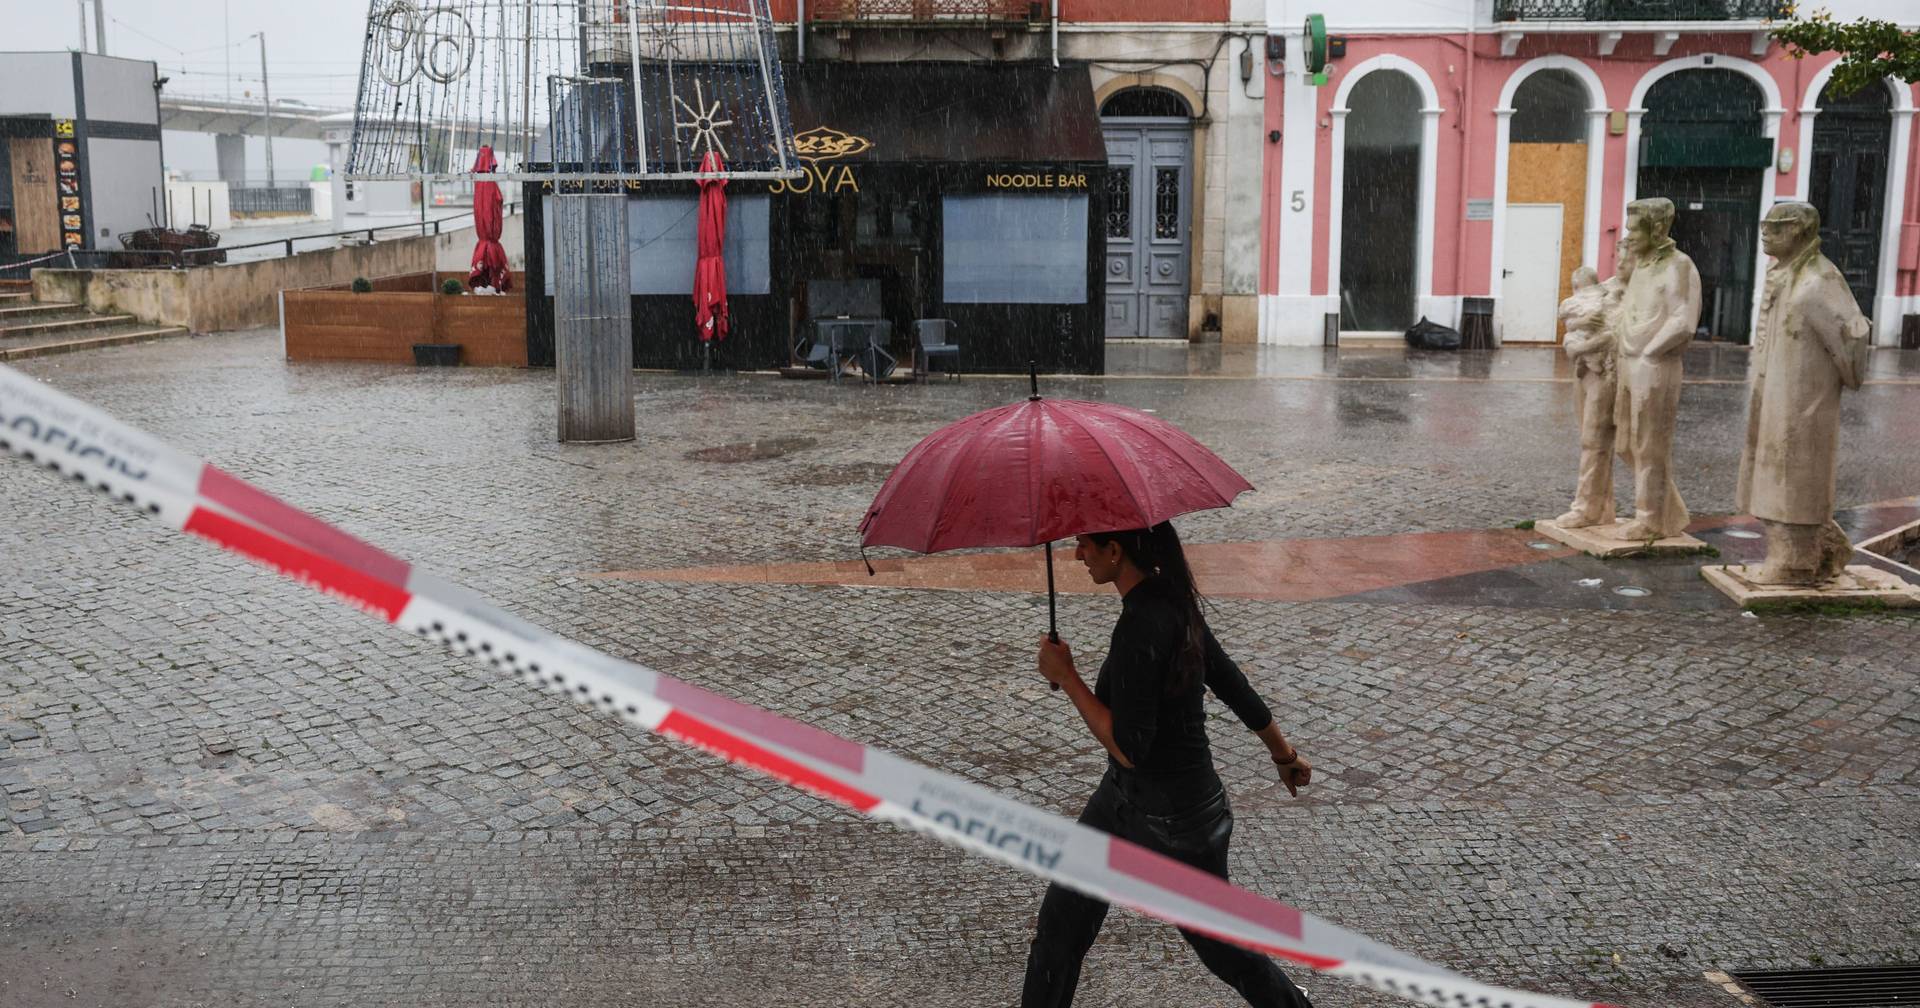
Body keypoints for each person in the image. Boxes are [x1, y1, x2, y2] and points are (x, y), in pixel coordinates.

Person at [1024, 522, 1315, 1008]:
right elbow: (1229, 680)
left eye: (1085, 545)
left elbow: (1128, 746)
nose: (1077, 556)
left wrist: (1069, 678)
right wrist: (1282, 753)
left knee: (1225, 949)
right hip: (1130, 802)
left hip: (1173, 822)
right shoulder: (1173, 600)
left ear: (1114, 551)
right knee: (1062, 924)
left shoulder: (1143, 625)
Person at [1736, 201, 1870, 585]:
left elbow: (1852, 334)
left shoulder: (1818, 280)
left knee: (1794, 473)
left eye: (1774, 226)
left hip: (1802, 395)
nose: (1764, 232)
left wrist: (1844, 359)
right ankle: (1822, 547)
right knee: (1771, 468)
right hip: (1774, 385)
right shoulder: (1782, 273)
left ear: (1798, 230)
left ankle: (1796, 561)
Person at [1610, 197, 1700, 542]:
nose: (1628, 235)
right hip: (1629, 361)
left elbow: (1683, 320)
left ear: (1658, 228)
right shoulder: (1643, 265)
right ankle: (1670, 510)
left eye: (1635, 228)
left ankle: (1649, 518)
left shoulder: (1678, 266)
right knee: (1625, 443)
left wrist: (1649, 351)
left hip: (1655, 364)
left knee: (1650, 445)